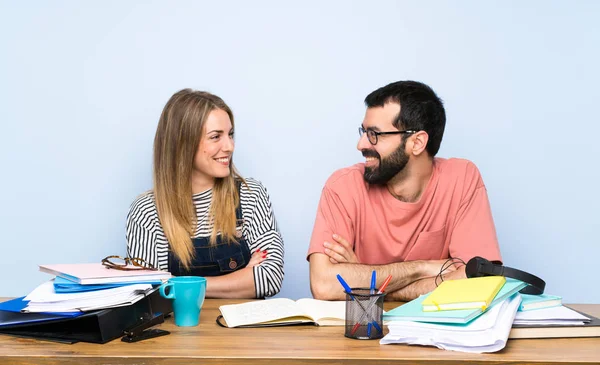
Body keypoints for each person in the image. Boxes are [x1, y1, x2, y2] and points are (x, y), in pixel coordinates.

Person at [307, 81, 501, 301]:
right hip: (364, 331)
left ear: (417, 142)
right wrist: (421, 268)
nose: (361, 144)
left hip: (437, 332)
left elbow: (478, 282)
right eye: (364, 131)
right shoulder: (342, 187)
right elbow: (324, 285)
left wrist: (368, 283)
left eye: (374, 134)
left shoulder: (462, 178)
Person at [126, 89, 284, 299]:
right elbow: (148, 294)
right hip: (179, 331)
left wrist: (176, 283)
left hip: (244, 331)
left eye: (230, 134)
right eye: (216, 136)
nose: (229, 146)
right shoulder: (146, 211)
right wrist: (243, 276)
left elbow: (270, 278)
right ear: (184, 144)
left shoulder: (250, 194)